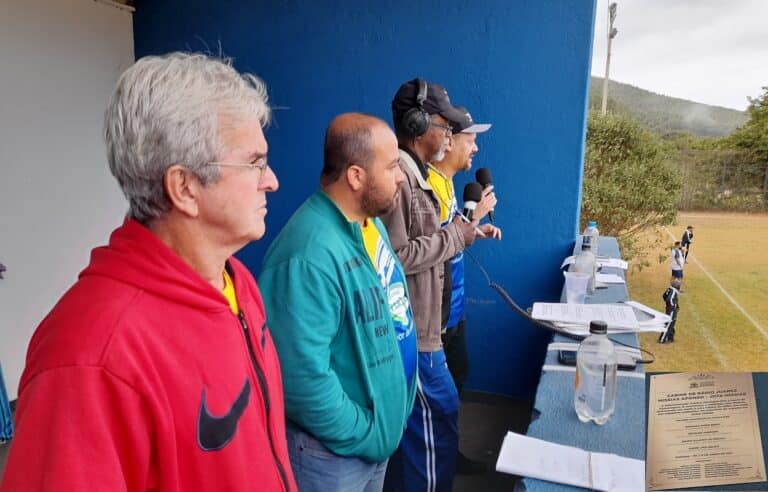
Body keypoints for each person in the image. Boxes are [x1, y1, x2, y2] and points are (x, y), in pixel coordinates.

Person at [0, 53, 297, 491]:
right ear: (185, 187)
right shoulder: (89, 357)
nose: (271, 180)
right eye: (254, 162)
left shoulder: (237, 283)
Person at [258, 113, 417, 492]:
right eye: (393, 165)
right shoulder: (307, 254)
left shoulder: (367, 222)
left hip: (372, 442)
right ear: (356, 176)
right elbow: (301, 379)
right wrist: (364, 432)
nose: (401, 176)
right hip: (333, 458)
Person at [380, 78, 483, 492]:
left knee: (434, 425)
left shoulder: (416, 174)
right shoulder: (400, 179)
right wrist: (456, 236)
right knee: (434, 426)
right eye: (446, 126)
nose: (451, 137)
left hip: (428, 330)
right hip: (413, 335)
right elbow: (396, 258)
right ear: (418, 123)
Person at [428, 106, 500, 473]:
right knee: (438, 398)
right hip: (434, 318)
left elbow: (450, 236)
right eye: (471, 140)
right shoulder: (425, 186)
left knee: (457, 379)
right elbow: (426, 250)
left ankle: (449, 457)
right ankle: (437, 465)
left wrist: (475, 229)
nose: (474, 149)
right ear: (448, 140)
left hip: (453, 309)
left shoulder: (447, 184)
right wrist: (474, 219)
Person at [658, 279, 681, 343]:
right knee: (669, 324)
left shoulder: (669, 289)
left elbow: (664, 296)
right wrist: (673, 306)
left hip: (669, 309)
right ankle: (662, 339)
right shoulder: (673, 292)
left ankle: (670, 338)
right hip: (671, 310)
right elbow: (669, 299)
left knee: (671, 324)